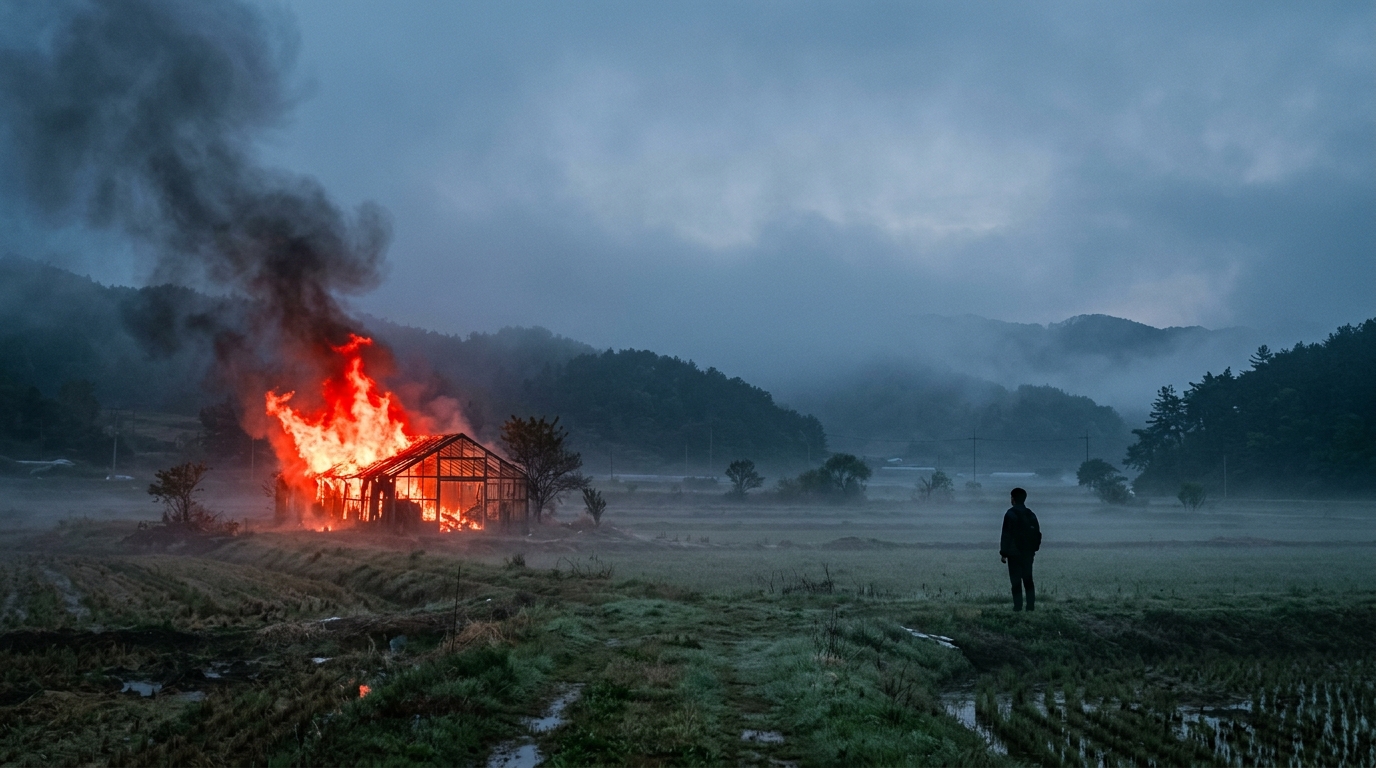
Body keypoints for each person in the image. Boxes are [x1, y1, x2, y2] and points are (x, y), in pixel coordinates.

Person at [1000, 487, 1041, 611]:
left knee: (1016, 581)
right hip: (1028, 553)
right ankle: (1030, 607)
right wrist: (1033, 550)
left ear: (1013, 499)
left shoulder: (1010, 514)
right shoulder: (1031, 514)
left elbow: (1006, 535)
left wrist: (1003, 553)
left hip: (1014, 553)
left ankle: (1017, 607)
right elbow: (1037, 533)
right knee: (1028, 579)